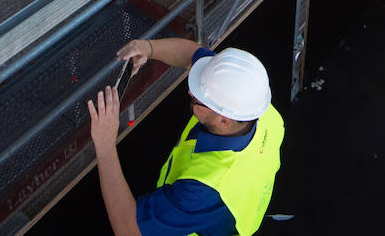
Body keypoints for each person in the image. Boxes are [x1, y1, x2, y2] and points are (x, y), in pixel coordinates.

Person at [88, 38, 284, 236]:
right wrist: (149, 48)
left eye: (197, 99)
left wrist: (105, 145)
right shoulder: (258, 110)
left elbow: (129, 230)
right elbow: (193, 54)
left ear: (223, 120)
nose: (190, 90)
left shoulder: (202, 191)